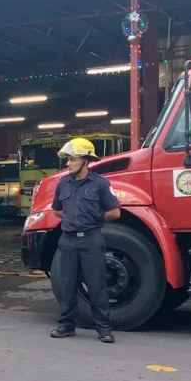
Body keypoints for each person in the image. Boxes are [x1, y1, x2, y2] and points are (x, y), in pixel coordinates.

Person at [50, 138, 120, 343]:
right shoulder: (62, 183)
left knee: (97, 285)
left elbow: (115, 212)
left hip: (91, 239)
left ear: (85, 160)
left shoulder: (100, 184)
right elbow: (56, 210)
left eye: (72, 159)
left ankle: (104, 328)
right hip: (68, 240)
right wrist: (72, 218)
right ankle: (66, 325)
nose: (68, 163)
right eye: (68, 160)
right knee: (67, 285)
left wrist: (91, 219)